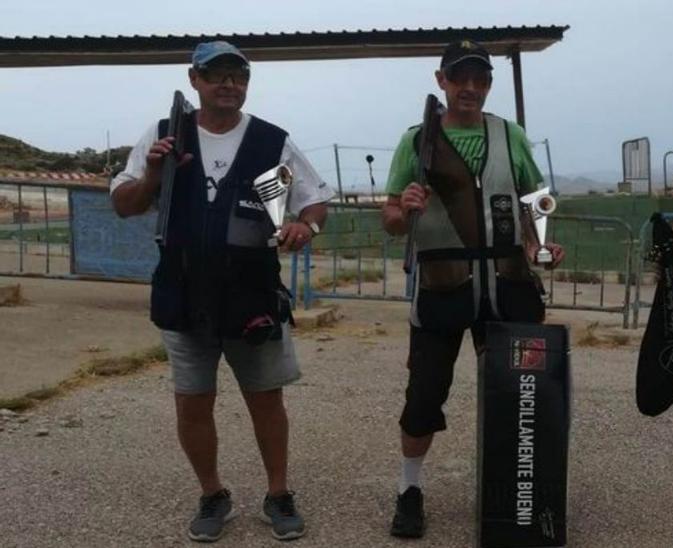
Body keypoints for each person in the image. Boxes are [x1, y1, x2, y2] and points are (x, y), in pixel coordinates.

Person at [110, 41, 332, 542]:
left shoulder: (271, 141)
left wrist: (306, 228)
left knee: (266, 400)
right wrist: (152, 174)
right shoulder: (165, 135)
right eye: (216, 75)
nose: (228, 83)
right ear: (195, 81)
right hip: (183, 294)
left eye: (237, 75)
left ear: (246, 83)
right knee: (192, 402)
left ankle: (278, 494)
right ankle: (212, 495)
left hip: (253, 295)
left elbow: (314, 201)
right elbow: (124, 204)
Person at [379, 39, 565, 539]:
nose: (470, 87)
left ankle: (513, 490)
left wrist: (541, 244)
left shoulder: (510, 135)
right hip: (442, 288)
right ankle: (409, 489)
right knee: (424, 396)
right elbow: (392, 218)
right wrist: (406, 208)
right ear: (441, 80)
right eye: (460, 77)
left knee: (521, 395)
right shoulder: (417, 140)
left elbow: (535, 198)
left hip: (510, 286)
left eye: (480, 79)